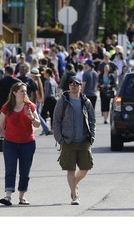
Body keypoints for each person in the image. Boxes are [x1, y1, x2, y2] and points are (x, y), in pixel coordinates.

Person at [0, 82, 40, 206]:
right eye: (22, 91)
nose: (25, 93)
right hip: (10, 143)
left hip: (28, 143)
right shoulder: (7, 107)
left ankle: (22, 196)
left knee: (24, 171)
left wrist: (31, 116)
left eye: (26, 91)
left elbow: (37, 124)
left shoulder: (30, 106)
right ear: (15, 92)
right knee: (10, 169)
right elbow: (0, 125)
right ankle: (8, 196)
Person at [53, 76, 96, 205]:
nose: (73, 86)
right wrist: (60, 139)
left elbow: (92, 120)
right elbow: (56, 121)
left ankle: (74, 184)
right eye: (71, 84)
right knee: (70, 169)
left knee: (86, 167)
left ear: (80, 86)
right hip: (68, 141)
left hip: (84, 140)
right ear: (69, 86)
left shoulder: (86, 101)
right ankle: (75, 195)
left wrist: (91, 136)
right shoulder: (63, 101)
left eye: (76, 84)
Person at [30, 68, 52, 136]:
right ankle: (46, 129)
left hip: (36, 100)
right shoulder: (39, 81)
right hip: (39, 100)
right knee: (38, 115)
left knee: (38, 116)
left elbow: (35, 93)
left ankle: (46, 129)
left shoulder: (34, 82)